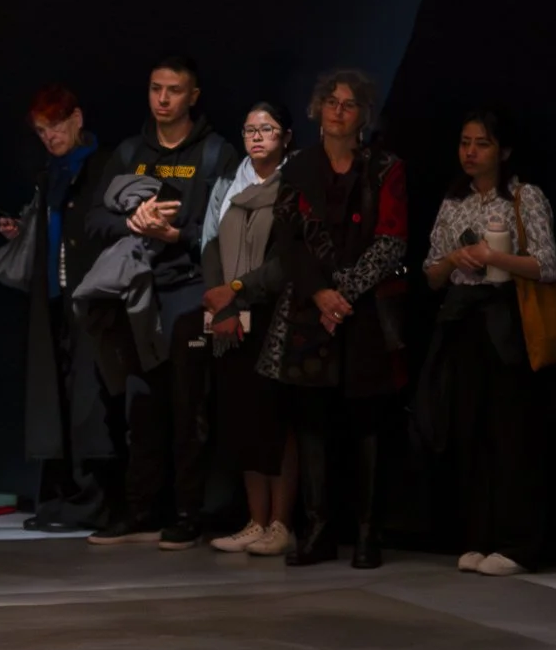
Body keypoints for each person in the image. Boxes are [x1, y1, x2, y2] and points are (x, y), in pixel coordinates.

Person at [260, 69, 408, 570]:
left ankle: (368, 533)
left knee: (368, 423)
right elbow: (288, 242)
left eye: (349, 104)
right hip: (310, 311)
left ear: (364, 114)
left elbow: (391, 241)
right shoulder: (299, 167)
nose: (339, 111)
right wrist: (320, 294)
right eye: (331, 102)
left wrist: (342, 294)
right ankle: (318, 529)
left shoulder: (385, 168)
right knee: (312, 423)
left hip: (365, 313)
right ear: (318, 109)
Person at [88, 58, 235, 548]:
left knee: (189, 405)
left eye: (174, 90)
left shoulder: (215, 153)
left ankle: (189, 512)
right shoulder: (130, 152)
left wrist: (177, 234)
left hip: (189, 288)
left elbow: (228, 234)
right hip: (137, 293)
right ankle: (140, 510)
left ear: (193, 96)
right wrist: (132, 224)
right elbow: (93, 222)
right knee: (141, 406)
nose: (163, 99)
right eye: (156, 89)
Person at [419, 108, 555, 577]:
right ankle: (478, 536)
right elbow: (432, 272)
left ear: (504, 150)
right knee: (469, 431)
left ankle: (519, 543)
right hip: (462, 320)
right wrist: (454, 259)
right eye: (465, 142)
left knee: (512, 435)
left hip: (507, 321)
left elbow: (547, 264)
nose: (471, 152)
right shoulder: (454, 201)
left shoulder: (524, 196)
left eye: (482, 143)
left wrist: (495, 256)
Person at [0, 84, 114, 530]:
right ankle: (61, 496)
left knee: (89, 401)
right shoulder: (53, 172)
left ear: (77, 119)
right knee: (58, 398)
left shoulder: (100, 165)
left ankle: (92, 499)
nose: (50, 136)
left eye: (56, 126)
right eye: (43, 130)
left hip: (91, 298)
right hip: (55, 298)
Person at [200, 101, 298, 556]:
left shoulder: (294, 184)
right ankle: (254, 521)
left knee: (277, 423)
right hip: (230, 316)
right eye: (250, 129)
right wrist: (221, 306)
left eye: (268, 129)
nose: (257, 137)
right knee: (242, 420)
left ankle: (281, 523)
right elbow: (209, 246)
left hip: (276, 316)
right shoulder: (228, 183)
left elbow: (287, 260)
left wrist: (238, 290)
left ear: (287, 136)